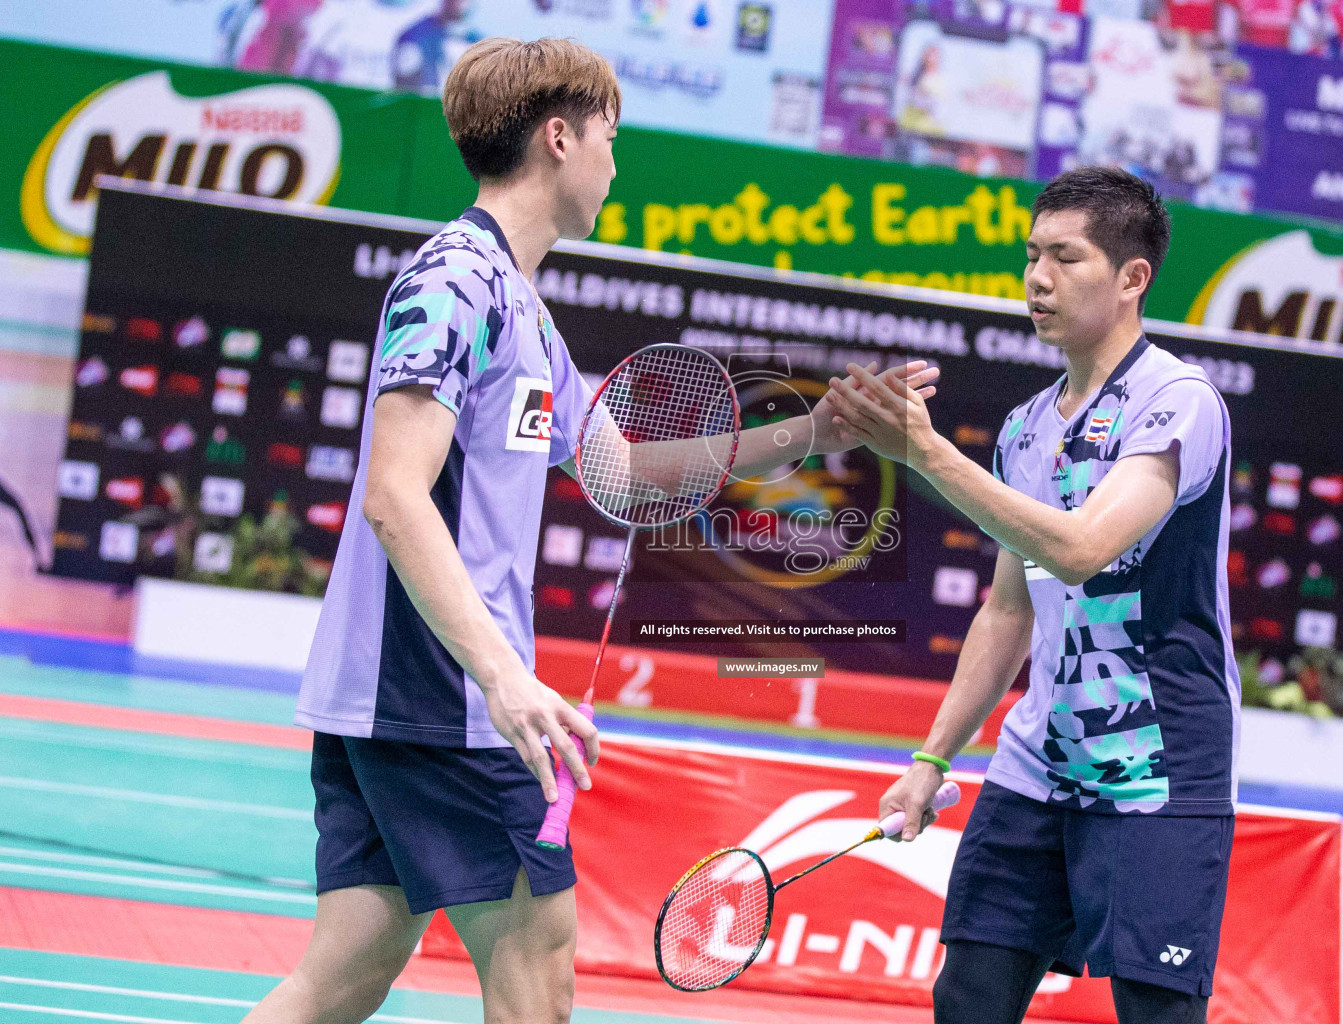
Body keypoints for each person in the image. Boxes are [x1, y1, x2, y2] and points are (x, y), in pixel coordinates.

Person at [243, 36, 938, 1024]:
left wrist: (814, 430)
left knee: (343, 977)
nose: (620, 161)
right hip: (446, 697)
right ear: (559, 138)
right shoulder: (453, 289)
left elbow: (622, 470)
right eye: (614, 135)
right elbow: (395, 495)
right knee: (542, 984)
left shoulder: (518, 304)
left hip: (407, 696)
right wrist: (504, 677)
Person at [826, 166, 1239, 1024]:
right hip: (1038, 764)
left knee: (1158, 1013)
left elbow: (1084, 548)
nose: (1037, 278)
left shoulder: (1178, 402)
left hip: (1157, 765)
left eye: (1065, 256)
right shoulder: (1026, 426)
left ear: (1133, 278)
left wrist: (928, 456)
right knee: (968, 998)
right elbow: (1010, 610)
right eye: (1031, 255)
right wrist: (931, 760)